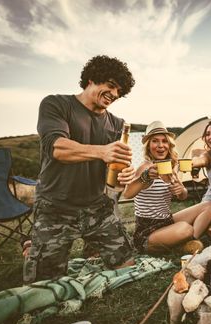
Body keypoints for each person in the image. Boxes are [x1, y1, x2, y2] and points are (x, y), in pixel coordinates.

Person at [23, 55, 136, 283]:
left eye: (119, 91)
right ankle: (35, 248)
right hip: (56, 206)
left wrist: (125, 174)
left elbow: (112, 176)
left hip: (96, 206)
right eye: (111, 85)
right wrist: (102, 151)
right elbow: (57, 148)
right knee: (42, 284)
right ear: (92, 78)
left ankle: (37, 247)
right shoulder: (56, 104)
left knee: (128, 266)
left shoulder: (116, 124)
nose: (114, 94)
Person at [121, 121, 211, 254]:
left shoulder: (170, 166)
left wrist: (181, 190)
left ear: (169, 145)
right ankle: (184, 242)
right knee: (186, 228)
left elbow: (183, 196)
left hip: (166, 221)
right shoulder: (145, 167)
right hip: (147, 232)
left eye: (164, 141)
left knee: (208, 206)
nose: (161, 146)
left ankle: (190, 241)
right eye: (155, 141)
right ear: (148, 145)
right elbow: (127, 194)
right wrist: (145, 177)